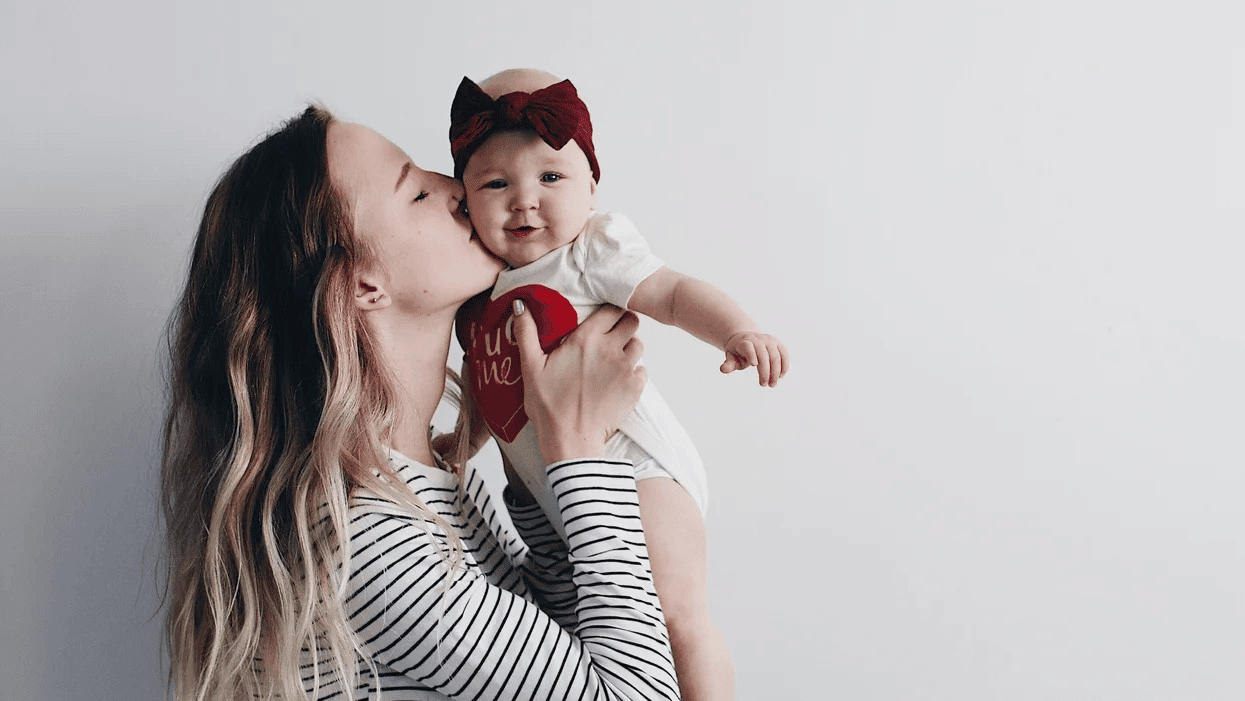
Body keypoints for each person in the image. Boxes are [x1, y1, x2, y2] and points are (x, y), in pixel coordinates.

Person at [159, 105, 681, 701]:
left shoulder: (419, 481)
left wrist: (531, 450)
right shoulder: (365, 537)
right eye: (415, 192)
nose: (457, 188)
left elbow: (565, 641)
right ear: (360, 283)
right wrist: (577, 452)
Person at [449, 68, 790, 701]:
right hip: (551, 494)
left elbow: (671, 291)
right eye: (497, 183)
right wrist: (460, 445)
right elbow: (487, 383)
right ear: (464, 199)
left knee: (674, 617)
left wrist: (736, 331)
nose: (525, 199)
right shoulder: (471, 289)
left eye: (551, 178)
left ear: (592, 189)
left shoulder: (587, 251)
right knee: (594, 633)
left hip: (635, 470)